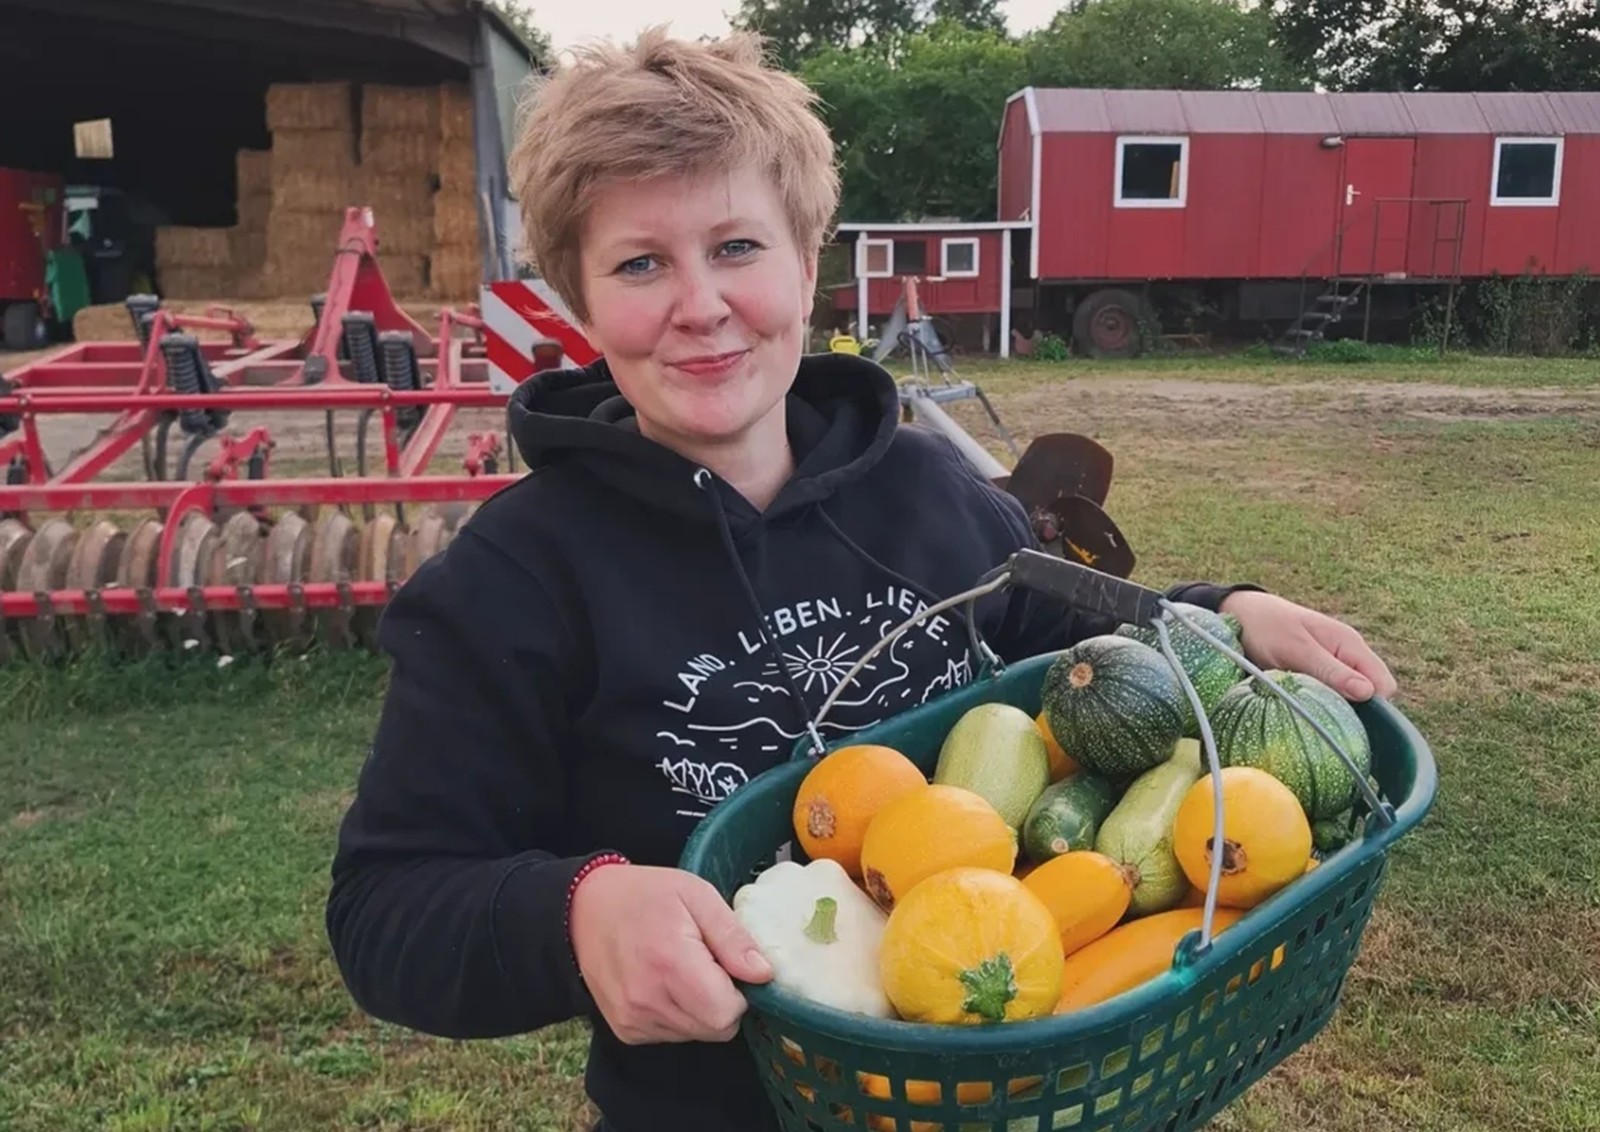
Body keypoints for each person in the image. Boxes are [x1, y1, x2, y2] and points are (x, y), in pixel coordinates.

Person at [324, 27, 1398, 1132]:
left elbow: (1065, 644)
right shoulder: (513, 580)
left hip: (1003, 1087)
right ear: (581, 304)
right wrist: (577, 911)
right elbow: (385, 909)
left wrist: (1218, 615)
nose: (700, 304)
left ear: (807, 261)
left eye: (737, 246)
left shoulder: (928, 491)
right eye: (640, 262)